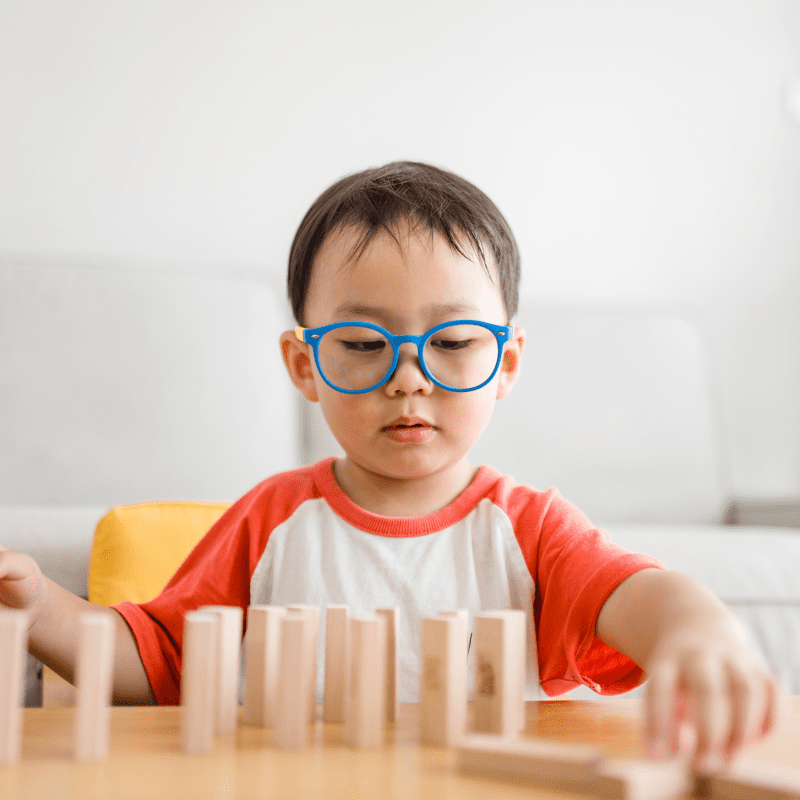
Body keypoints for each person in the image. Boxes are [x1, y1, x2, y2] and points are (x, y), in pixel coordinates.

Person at [0, 161, 778, 772]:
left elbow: (636, 594)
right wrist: (42, 611)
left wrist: (695, 627)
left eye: (453, 342)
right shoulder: (271, 520)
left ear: (506, 363)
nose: (410, 376)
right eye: (366, 345)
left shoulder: (528, 528)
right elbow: (160, 660)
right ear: (303, 366)